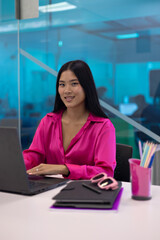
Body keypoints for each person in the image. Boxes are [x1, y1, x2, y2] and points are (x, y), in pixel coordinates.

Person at [23, 60, 116, 180]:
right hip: (46, 194)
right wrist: (13, 164)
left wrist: (65, 169)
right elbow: (33, 157)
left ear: (86, 86)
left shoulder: (103, 127)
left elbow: (105, 172)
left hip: (85, 194)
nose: (67, 90)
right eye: (62, 85)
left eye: (74, 84)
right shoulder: (48, 121)